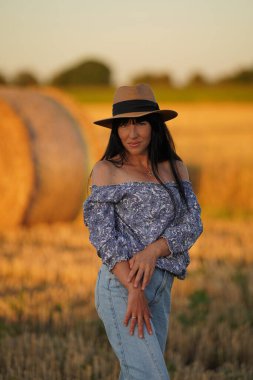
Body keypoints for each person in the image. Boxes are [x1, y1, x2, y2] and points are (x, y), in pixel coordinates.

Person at [83, 83, 203, 380]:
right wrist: (134, 288)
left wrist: (154, 250)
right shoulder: (106, 170)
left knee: (137, 375)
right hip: (122, 285)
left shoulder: (175, 167)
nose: (131, 133)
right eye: (123, 124)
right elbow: (103, 237)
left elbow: (192, 223)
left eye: (140, 123)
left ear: (155, 125)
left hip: (162, 286)